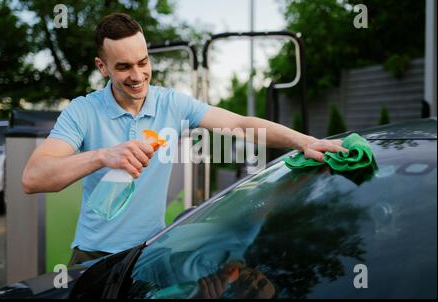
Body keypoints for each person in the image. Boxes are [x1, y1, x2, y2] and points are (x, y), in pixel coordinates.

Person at [21, 13, 347, 266]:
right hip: (92, 256)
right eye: (123, 67)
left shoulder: (172, 103)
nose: (137, 76)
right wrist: (103, 156)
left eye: (143, 62)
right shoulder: (83, 111)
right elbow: (33, 178)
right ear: (102, 66)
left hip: (149, 252)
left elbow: (240, 122)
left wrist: (304, 141)